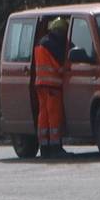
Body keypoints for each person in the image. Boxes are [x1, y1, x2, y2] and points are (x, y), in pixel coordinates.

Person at [31, 17, 70, 156]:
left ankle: (44, 146)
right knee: (54, 116)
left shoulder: (40, 43)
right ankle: (55, 147)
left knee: (43, 115)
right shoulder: (55, 45)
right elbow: (60, 66)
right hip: (53, 85)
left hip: (40, 85)